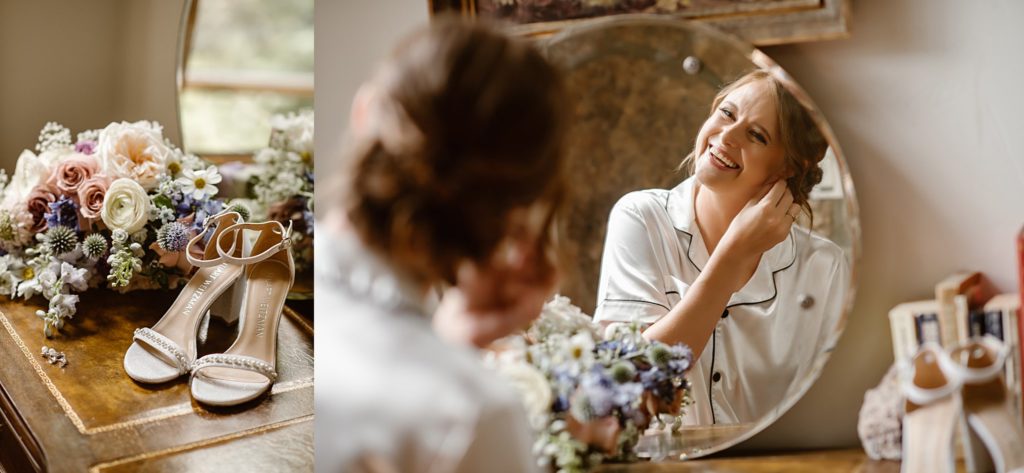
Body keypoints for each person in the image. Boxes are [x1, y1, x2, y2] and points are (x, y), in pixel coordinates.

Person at [315, 17, 568, 473]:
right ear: (519, 206)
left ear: (364, 110)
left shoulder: (286, 314)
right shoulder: (472, 415)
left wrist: (451, 341)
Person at [593, 70, 849, 425]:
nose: (725, 136)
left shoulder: (824, 266)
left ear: (790, 165)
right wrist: (732, 256)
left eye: (756, 135)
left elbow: (830, 408)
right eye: (726, 114)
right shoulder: (641, 218)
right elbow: (629, 380)